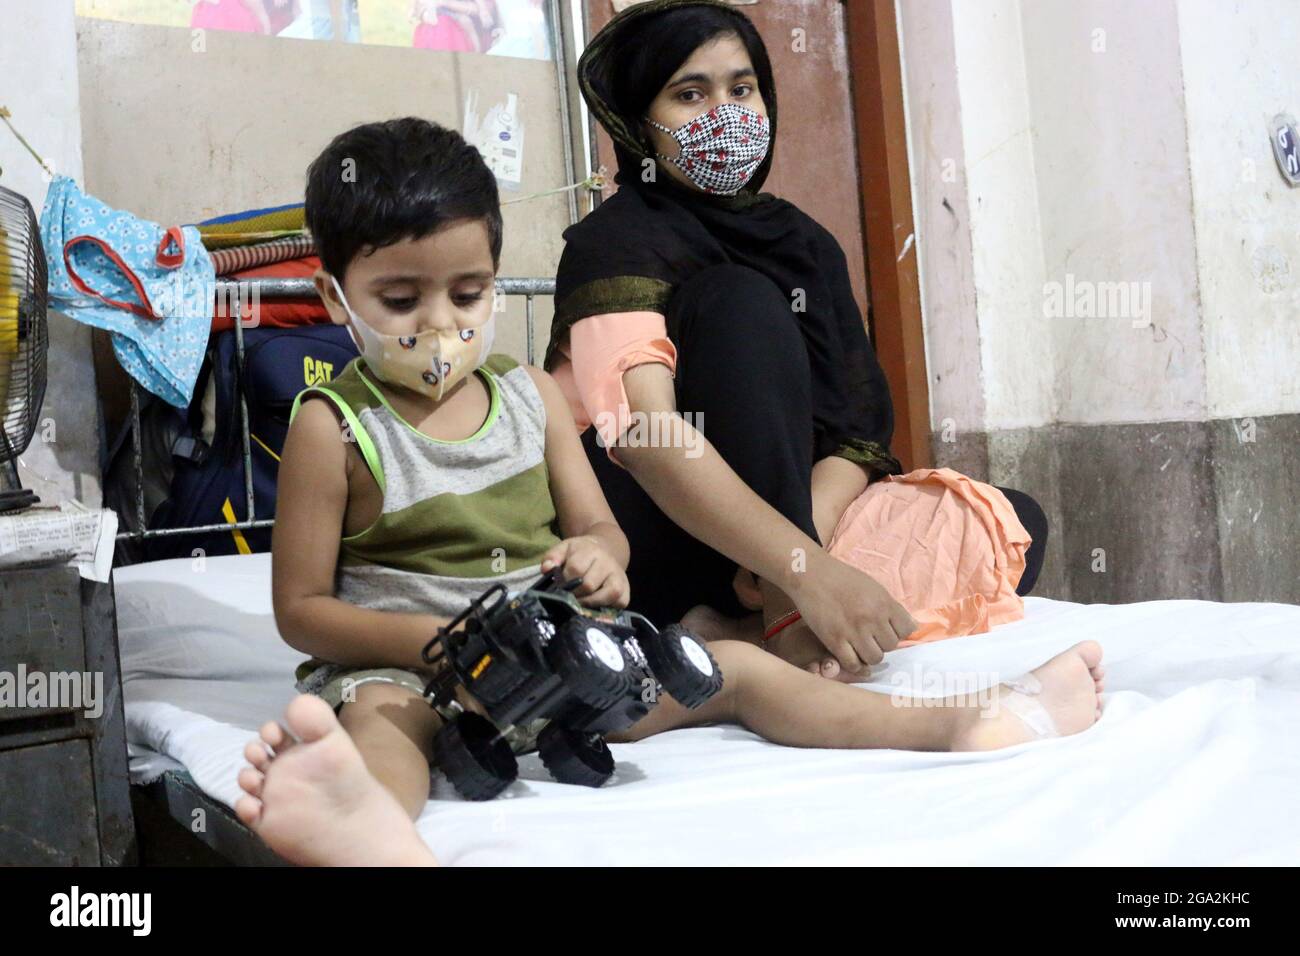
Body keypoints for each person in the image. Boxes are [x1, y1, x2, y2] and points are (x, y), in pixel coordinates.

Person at [265, 115, 1103, 851]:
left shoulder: (532, 399)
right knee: (386, 724)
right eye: (401, 299)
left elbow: (602, 531)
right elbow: (302, 611)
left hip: (558, 669)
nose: (441, 325)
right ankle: (362, 824)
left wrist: (598, 562)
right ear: (334, 298)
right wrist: (430, 641)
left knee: (736, 670)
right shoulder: (333, 427)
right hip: (417, 674)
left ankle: (962, 718)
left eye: (468, 291)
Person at [545, 0, 1049, 682]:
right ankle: (783, 614)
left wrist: (802, 549)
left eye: (742, 89)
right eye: (690, 94)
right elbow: (647, 436)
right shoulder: (615, 242)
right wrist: (801, 573)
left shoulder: (804, 244)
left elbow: (852, 436)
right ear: (640, 124)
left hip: (777, 534)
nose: (725, 113)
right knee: (738, 303)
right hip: (654, 523)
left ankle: (738, 628)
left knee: (1006, 523)